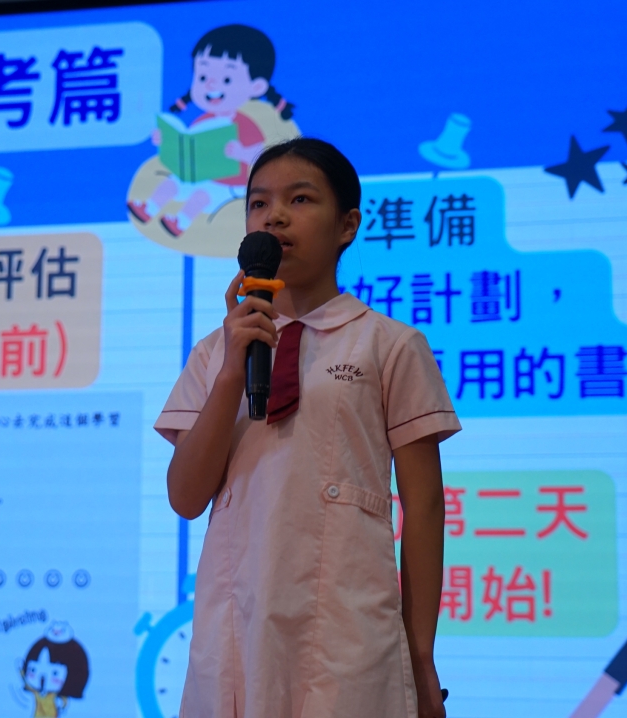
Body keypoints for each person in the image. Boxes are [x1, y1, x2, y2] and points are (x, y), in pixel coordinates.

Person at [155, 138, 459, 718]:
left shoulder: (389, 345)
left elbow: (424, 507)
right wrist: (231, 373)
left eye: (299, 199)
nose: (274, 216)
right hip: (235, 630)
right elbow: (185, 497)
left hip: (349, 633)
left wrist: (420, 656)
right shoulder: (214, 354)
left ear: (347, 225)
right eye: (258, 203)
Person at [127, 24, 295, 237]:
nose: (211, 85)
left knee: (202, 194)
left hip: (229, 184)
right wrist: (166, 141)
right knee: (172, 183)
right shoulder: (203, 120)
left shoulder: (244, 124)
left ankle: (180, 221)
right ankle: (149, 208)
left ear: (256, 87)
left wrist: (240, 152)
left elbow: (260, 156)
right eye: (202, 78)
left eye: (227, 79)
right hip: (199, 176)